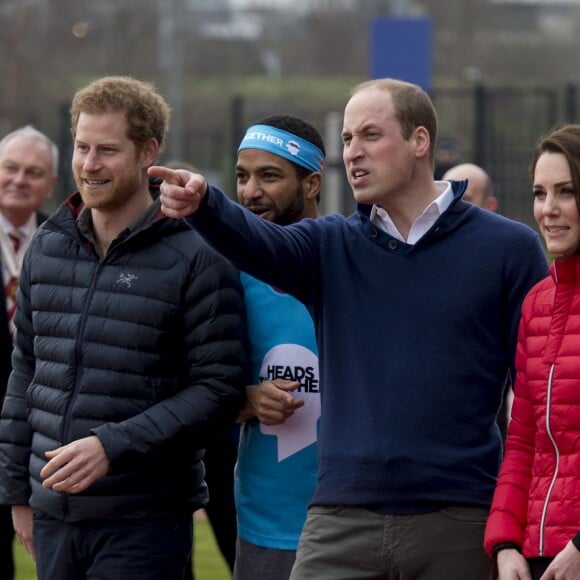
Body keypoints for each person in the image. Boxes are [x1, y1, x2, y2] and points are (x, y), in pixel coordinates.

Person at [150, 77, 549, 579]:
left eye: (370, 136)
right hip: (341, 519)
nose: (352, 153)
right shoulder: (327, 245)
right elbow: (257, 240)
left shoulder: (509, 249)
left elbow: (544, 396)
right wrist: (206, 202)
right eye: (346, 140)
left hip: (461, 517)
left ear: (419, 141)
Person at [0, 75, 248, 580]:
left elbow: (219, 389)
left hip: (146, 521)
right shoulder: (47, 245)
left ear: (148, 152)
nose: (89, 165)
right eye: (82, 147)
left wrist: (112, 446)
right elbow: (24, 373)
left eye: (107, 150)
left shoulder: (197, 253)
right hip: (53, 518)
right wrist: (16, 493)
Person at [484, 124, 580, 580]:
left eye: (566, 192)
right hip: (538, 557)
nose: (548, 209)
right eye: (540, 193)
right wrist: (505, 544)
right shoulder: (537, 302)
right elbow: (524, 440)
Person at [232, 114, 323, 580]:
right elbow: (190, 383)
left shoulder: (350, 265)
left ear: (311, 183)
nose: (250, 192)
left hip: (352, 524)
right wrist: (246, 398)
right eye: (243, 176)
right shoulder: (227, 277)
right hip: (265, 527)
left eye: (269, 176)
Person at [0, 125, 57, 580]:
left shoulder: (63, 239)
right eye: (10, 168)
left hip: (39, 425)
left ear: (51, 184)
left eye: (33, 172)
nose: (19, 179)